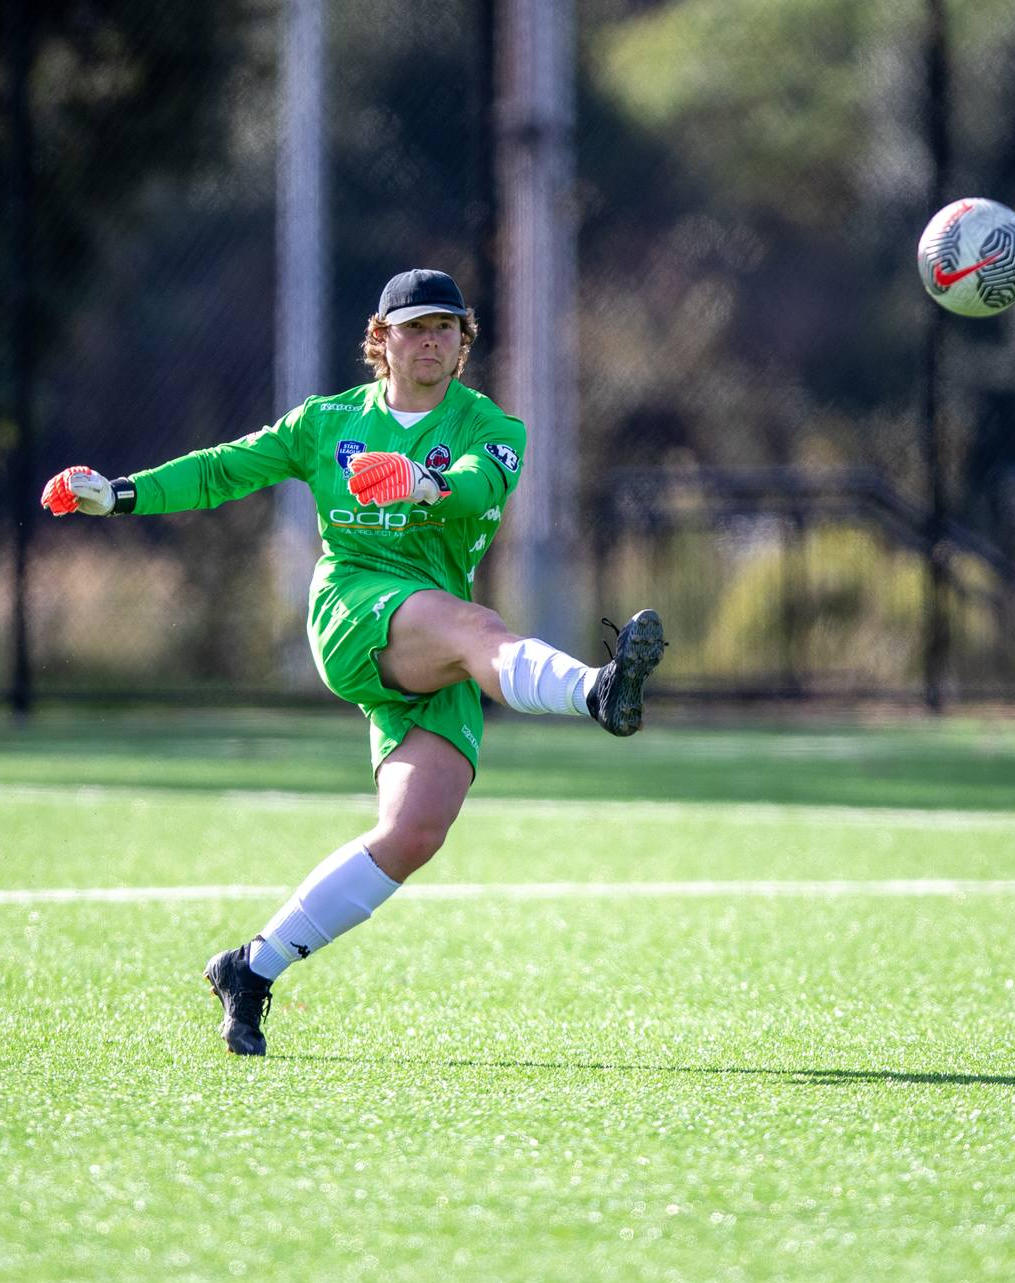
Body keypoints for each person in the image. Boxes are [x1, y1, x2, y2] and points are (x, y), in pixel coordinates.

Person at [38, 267, 666, 1056]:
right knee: (476, 627)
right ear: (382, 339)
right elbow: (222, 469)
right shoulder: (327, 423)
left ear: (463, 343)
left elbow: (476, 489)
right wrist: (119, 494)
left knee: (413, 832)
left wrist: (425, 480)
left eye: (446, 327)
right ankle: (598, 693)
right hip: (355, 610)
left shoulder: (493, 428)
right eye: (414, 326)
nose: (431, 339)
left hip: (429, 647)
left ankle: (251, 968)